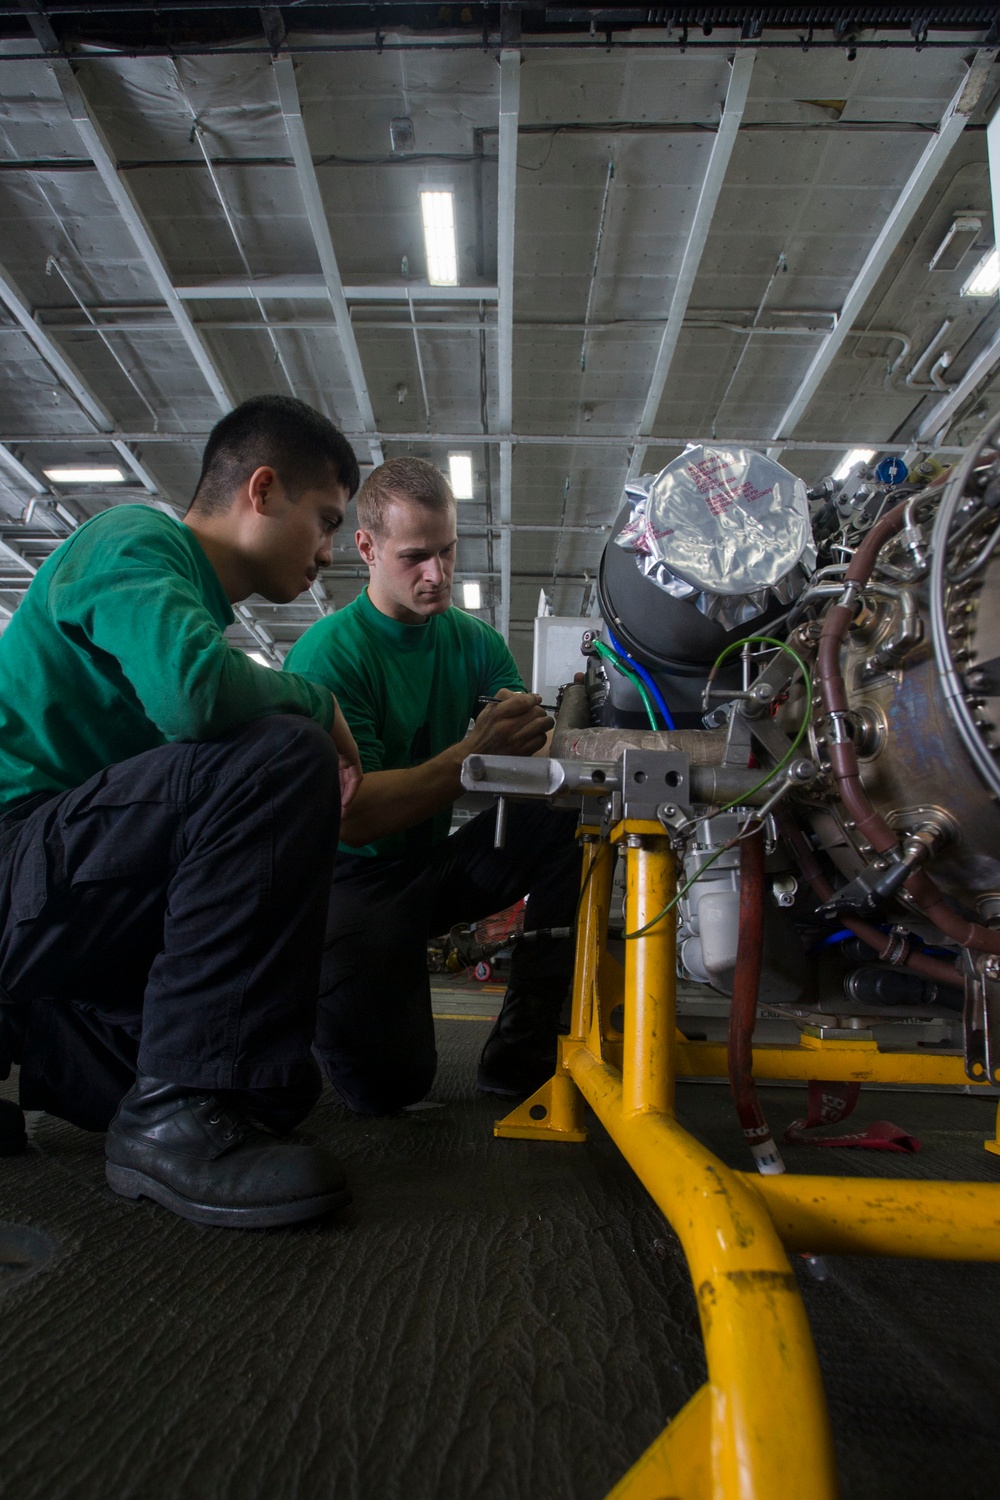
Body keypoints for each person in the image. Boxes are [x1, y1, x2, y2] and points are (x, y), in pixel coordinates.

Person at [0, 394, 363, 1229]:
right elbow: (193, 698)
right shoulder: (134, 538)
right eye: (325, 520)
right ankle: (166, 1124)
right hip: (15, 854)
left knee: (267, 1088)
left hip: (53, 898)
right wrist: (316, 701)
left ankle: (42, 1036)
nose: (329, 553)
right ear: (262, 491)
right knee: (281, 752)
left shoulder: (189, 605)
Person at [283, 456, 581, 1115]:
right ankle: (304, 996)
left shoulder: (475, 645)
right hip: (347, 880)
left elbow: (524, 769)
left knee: (574, 820)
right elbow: (353, 817)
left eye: (447, 551)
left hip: (428, 866)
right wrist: (474, 751)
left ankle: (524, 1036)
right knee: (390, 1088)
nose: (437, 575)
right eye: (416, 557)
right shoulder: (329, 656)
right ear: (366, 547)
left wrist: (544, 741)